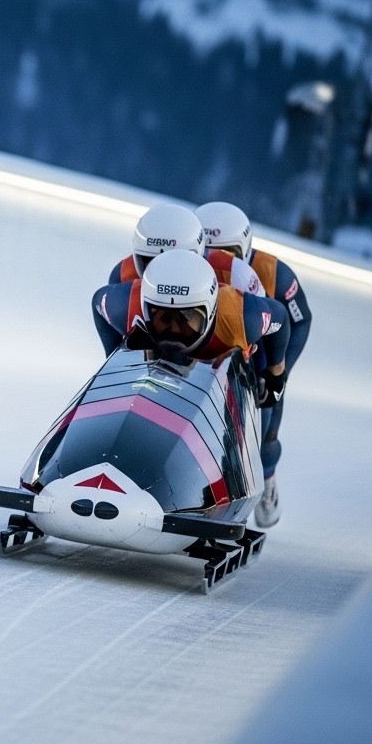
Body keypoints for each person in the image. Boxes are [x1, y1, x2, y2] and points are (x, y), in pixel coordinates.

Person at [196, 201, 313, 524]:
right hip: (205, 346)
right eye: (209, 252)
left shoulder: (274, 273)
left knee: (265, 426)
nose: (219, 261)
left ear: (245, 250)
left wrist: (279, 369)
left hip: (258, 356)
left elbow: (300, 320)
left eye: (228, 253)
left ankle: (267, 473)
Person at [91, 247, 290, 418]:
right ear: (144, 309)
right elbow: (98, 302)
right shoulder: (125, 304)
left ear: (211, 310)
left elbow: (280, 316)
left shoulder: (241, 316)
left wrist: (275, 374)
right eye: (164, 317)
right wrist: (114, 362)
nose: (175, 329)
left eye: (187, 318)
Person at [108, 203, 264, 296]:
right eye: (150, 261)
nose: (164, 272)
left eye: (174, 260)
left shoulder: (238, 273)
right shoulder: (123, 275)